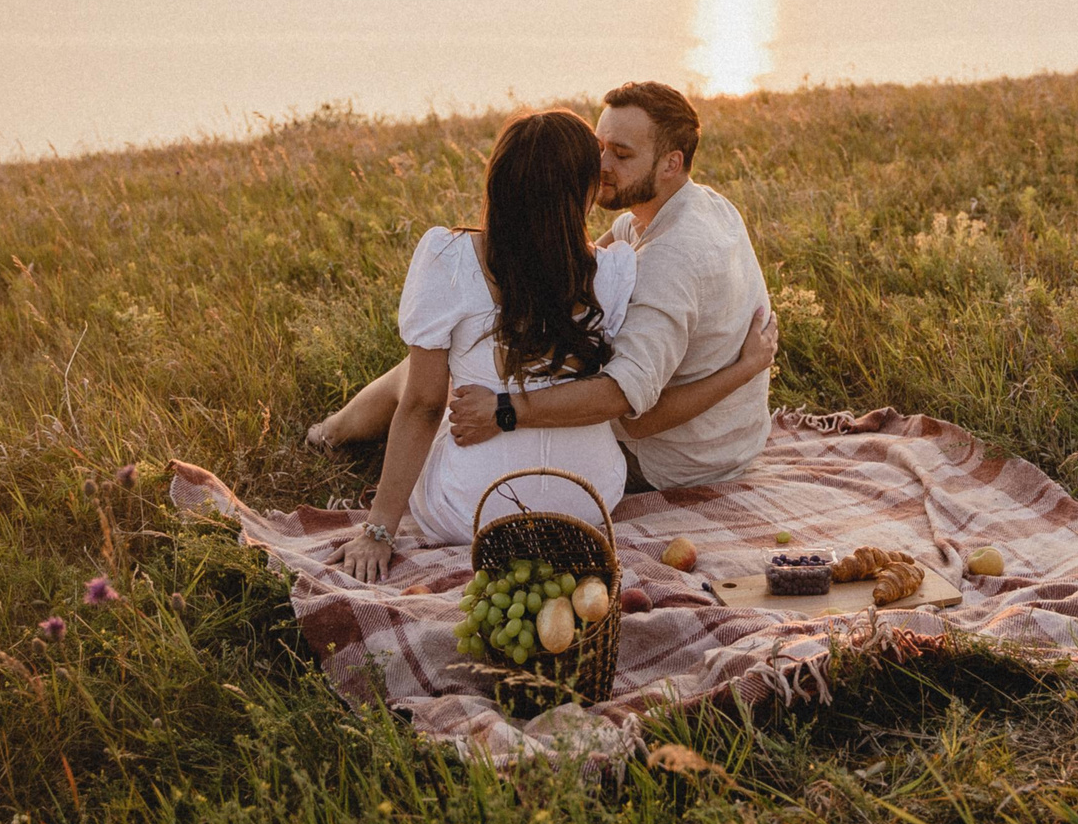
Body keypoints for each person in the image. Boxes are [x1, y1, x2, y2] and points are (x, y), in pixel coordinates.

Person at [329, 107, 773, 582]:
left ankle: (329, 433)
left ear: (497, 183)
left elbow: (422, 406)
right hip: (589, 503)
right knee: (459, 369)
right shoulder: (619, 269)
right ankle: (331, 430)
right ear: (581, 193)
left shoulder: (446, 254)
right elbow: (591, 255)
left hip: (473, 514)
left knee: (424, 381)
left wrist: (377, 531)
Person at [442, 80, 775, 490]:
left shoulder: (671, 261)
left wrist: (504, 409)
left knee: (455, 390)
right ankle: (338, 431)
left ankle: (346, 435)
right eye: (599, 147)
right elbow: (574, 265)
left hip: (670, 462)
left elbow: (631, 410)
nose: (601, 164)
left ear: (671, 164)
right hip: (732, 439)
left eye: (621, 155)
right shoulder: (694, 205)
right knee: (461, 356)